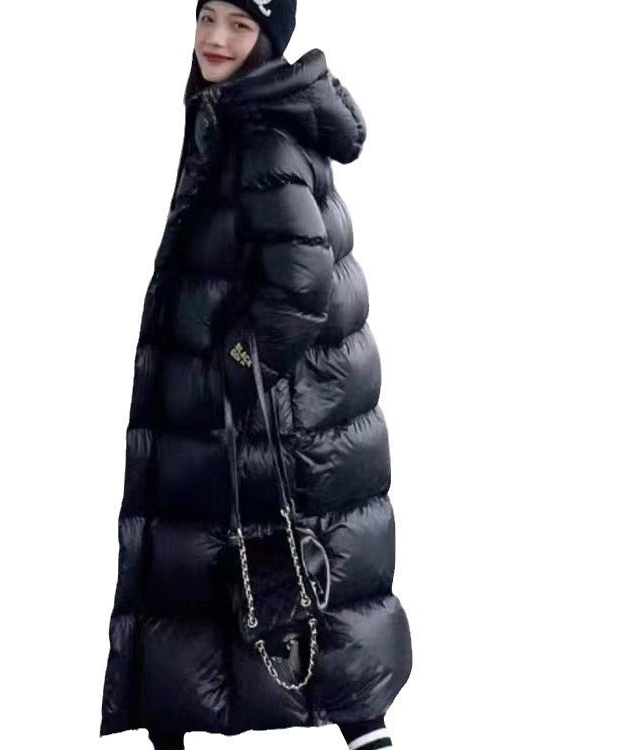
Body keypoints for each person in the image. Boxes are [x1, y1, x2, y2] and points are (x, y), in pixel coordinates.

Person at [99, 2, 413, 749]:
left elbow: (302, 281)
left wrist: (239, 366)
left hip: (269, 412)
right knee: (252, 573)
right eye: (207, 16)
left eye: (240, 26)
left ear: (268, 40)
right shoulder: (239, 112)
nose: (215, 38)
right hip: (269, 408)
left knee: (277, 571)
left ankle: (359, 727)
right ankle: (335, 723)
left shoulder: (262, 132)